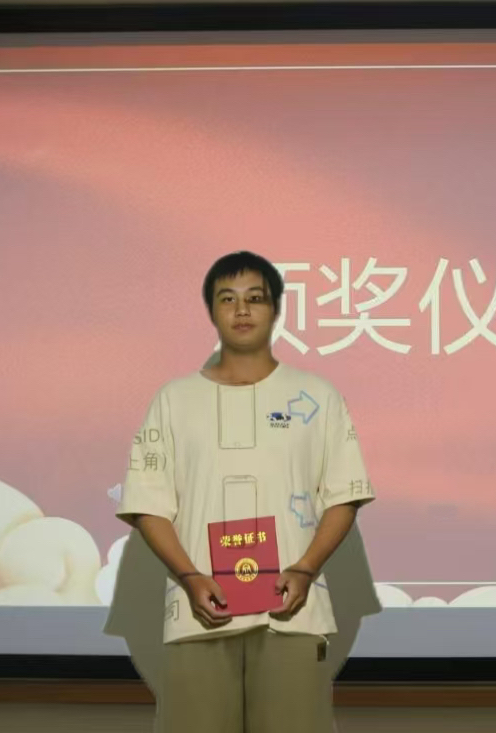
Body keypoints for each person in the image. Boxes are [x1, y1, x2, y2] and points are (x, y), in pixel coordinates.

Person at [117, 251, 374, 733]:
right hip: (199, 611)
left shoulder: (318, 396)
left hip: (291, 611)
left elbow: (344, 496)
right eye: (227, 299)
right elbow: (149, 504)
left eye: (255, 298)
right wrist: (189, 577)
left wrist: (305, 568)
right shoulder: (174, 399)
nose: (241, 310)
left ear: (275, 309)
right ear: (210, 311)